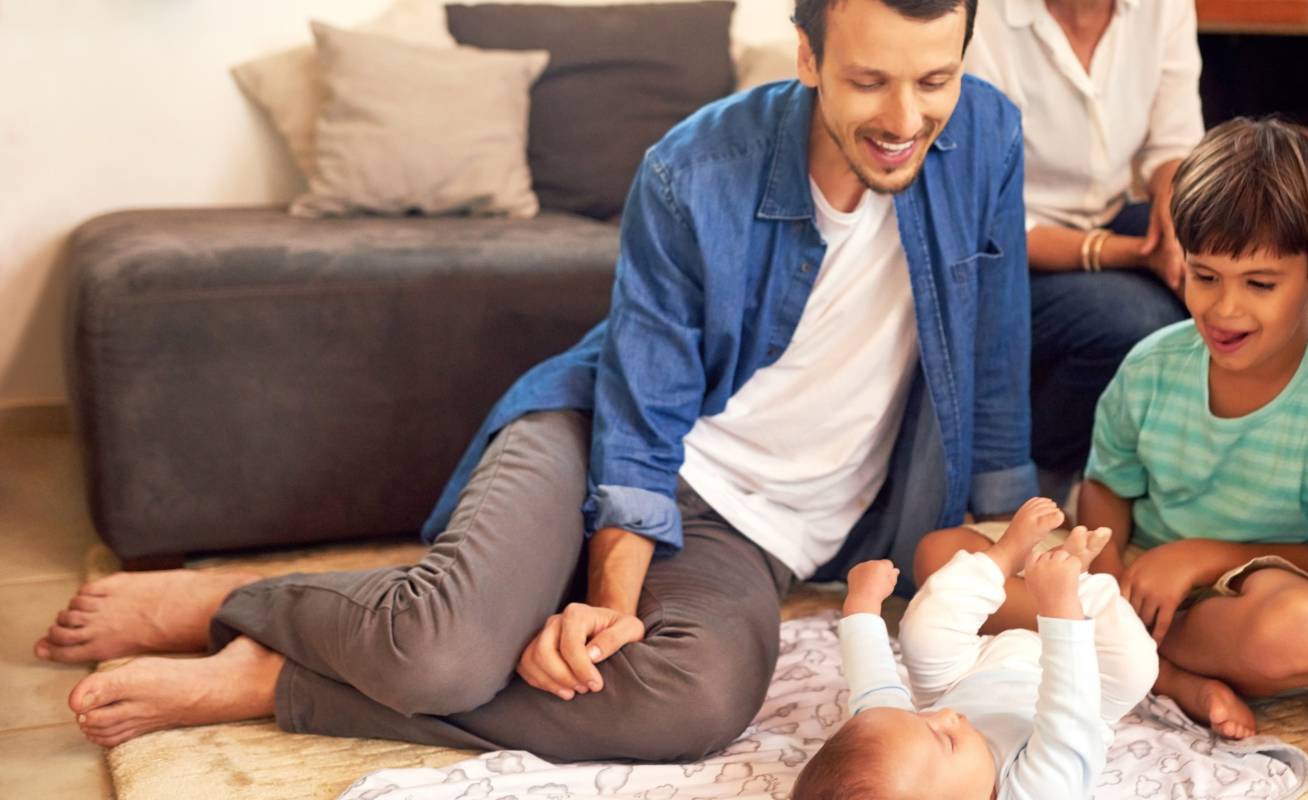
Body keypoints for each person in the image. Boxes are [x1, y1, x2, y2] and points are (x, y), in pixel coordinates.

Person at [35, 0, 1040, 759]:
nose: (908, 120)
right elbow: (642, 405)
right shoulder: (694, 169)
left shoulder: (984, 136)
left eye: (935, 81)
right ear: (809, 57)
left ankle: (282, 671)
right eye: (870, 83)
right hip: (597, 431)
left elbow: (991, 361)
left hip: (757, 531)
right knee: (442, 650)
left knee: (693, 701)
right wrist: (614, 596)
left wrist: (1000, 542)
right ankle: (244, 597)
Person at [915, 118, 1308, 738]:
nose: (1223, 309)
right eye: (1204, 276)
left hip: (1237, 593)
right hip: (1123, 576)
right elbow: (1108, 488)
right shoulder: (1151, 364)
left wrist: (1199, 559)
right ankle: (1167, 679)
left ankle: (1115, 652)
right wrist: (1104, 573)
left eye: (1259, 284)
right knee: (941, 558)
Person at [963, 0, 1205, 487]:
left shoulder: (1164, 8)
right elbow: (985, 223)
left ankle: (1191, 477)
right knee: (1137, 321)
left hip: (1113, 215)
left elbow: (1174, 144)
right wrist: (1135, 254)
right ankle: (1045, 473)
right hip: (1007, 256)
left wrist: (1174, 211)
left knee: (1226, 259)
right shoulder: (983, 19)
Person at [795, 498, 1157, 800]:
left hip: (971, 671)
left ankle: (1006, 555)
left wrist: (862, 604)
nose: (944, 716)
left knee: (923, 634)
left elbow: (874, 690)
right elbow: (1070, 711)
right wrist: (1060, 605)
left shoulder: (906, 747)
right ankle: (1070, 579)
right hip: (1089, 688)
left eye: (919, 718)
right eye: (947, 740)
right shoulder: (1037, 791)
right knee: (1135, 668)